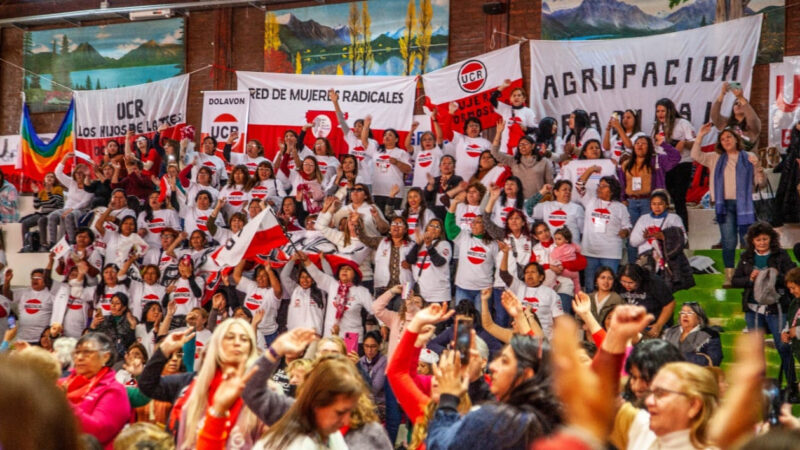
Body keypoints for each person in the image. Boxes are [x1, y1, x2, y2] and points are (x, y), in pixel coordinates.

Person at [425, 334, 563, 449]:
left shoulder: (497, 422)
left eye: (504, 361)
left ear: (526, 375)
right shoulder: (553, 419)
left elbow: (439, 445)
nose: (492, 366)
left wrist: (448, 399)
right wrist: (475, 378)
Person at [732, 221, 798, 401]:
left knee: (783, 347)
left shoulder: (781, 255)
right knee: (755, 350)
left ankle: (792, 387)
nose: (762, 243)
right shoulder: (746, 257)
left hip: (776, 308)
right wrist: (750, 278)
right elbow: (735, 281)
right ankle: (756, 389)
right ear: (752, 241)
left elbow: (793, 277)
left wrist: (776, 276)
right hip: (753, 310)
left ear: (771, 239)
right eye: (758, 240)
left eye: (765, 239)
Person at [692, 122, 764, 287]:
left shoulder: (748, 156)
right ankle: (729, 277)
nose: (726, 140)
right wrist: (701, 136)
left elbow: (761, 183)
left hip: (745, 206)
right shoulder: (714, 158)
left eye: (729, 137)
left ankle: (748, 275)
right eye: (722, 139)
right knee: (729, 241)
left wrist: (758, 168)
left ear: (736, 139)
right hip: (725, 206)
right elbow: (696, 155)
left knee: (747, 242)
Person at [176, 318, 262, 449]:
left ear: (251, 347)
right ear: (217, 344)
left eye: (244, 339)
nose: (237, 343)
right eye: (230, 337)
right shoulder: (195, 389)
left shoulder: (264, 392)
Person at [59, 332, 131, 449]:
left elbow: (97, 433)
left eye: (87, 353)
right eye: (77, 352)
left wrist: (64, 403)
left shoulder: (114, 390)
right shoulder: (62, 383)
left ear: (105, 357)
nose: (80, 357)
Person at [617, 135, 681, 259]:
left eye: (643, 143)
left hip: (649, 203)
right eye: (637, 143)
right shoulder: (626, 163)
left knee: (650, 235)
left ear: (650, 147)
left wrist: (663, 144)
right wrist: (623, 199)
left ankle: (650, 266)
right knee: (633, 238)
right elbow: (621, 183)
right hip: (631, 203)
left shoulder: (657, 160)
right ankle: (632, 268)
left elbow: (676, 158)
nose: (640, 145)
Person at [295, 250, 373, 341]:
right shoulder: (332, 284)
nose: (344, 271)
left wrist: (383, 325)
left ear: (355, 274)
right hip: (330, 335)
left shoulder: (361, 291)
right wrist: (306, 260)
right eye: (342, 269)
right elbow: (317, 275)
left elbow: (375, 308)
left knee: (349, 356)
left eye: (348, 269)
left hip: (351, 336)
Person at [577, 176, 631, 292]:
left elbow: (627, 226)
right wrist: (591, 170)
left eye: (603, 186)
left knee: (609, 286)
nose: (599, 188)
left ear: (612, 190)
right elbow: (579, 185)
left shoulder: (620, 207)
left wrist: (625, 232)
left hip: (610, 253)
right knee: (590, 285)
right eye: (599, 185)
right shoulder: (590, 200)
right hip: (590, 251)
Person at [446, 192, 498, 309]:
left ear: (486, 227)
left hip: (484, 290)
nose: (473, 224)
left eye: (478, 222)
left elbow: (497, 266)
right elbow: (449, 226)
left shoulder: (493, 244)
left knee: (482, 322)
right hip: (463, 288)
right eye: (473, 222)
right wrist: (454, 203)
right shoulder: (464, 237)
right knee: (462, 324)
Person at [652, 98, 696, 229]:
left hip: (681, 164)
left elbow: (695, 143)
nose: (660, 113)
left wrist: (683, 143)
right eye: (658, 111)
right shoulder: (657, 127)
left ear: (670, 111)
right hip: (664, 166)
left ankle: (683, 232)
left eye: (663, 110)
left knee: (678, 199)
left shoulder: (682, 123)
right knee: (664, 198)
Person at [492, 119, 553, 198]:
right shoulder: (513, 161)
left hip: (539, 202)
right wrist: (498, 133)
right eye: (520, 145)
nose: (522, 146)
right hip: (519, 203)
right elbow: (494, 152)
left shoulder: (544, 162)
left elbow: (550, 184)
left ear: (533, 146)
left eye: (526, 144)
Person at [616, 264, 675, 338]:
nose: (626, 285)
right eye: (623, 282)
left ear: (639, 279)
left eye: (631, 283)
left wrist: (658, 325)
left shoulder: (653, 282)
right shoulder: (617, 284)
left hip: (652, 324)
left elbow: (669, 303)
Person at [50, 153, 93, 246]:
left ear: (86, 174)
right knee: (52, 216)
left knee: (69, 216)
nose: (79, 175)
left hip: (81, 210)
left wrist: (71, 210)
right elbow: (58, 173)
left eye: (82, 173)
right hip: (67, 209)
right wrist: (64, 158)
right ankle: (53, 243)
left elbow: (85, 202)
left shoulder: (90, 185)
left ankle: (72, 242)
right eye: (78, 173)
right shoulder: (71, 183)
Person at [663, 302, 723, 366]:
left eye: (689, 313)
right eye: (682, 312)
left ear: (699, 318)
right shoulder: (669, 332)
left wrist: (674, 357)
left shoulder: (710, 335)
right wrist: (694, 356)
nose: (685, 315)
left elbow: (714, 360)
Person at [711, 81, 761, 150]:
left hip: (747, 159)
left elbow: (752, 119)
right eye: (736, 103)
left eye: (741, 103)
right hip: (728, 159)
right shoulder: (726, 123)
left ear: (747, 108)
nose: (738, 105)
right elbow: (714, 115)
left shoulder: (753, 125)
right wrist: (722, 94)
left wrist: (740, 97)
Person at [20, 172, 63, 252]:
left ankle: (43, 244)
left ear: (55, 180)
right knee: (25, 223)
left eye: (51, 177)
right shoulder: (42, 191)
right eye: (47, 177)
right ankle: (26, 245)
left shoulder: (58, 189)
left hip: (53, 214)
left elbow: (55, 204)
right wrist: (36, 193)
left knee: (41, 220)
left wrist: (49, 192)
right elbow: (36, 206)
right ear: (44, 180)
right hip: (42, 213)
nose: (49, 178)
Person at [89, 292, 138, 361]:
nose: (113, 305)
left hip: (123, 359)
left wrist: (133, 326)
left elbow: (132, 342)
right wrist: (93, 326)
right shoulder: (103, 319)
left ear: (124, 307)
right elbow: (92, 339)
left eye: (117, 303)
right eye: (112, 303)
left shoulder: (131, 320)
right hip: (105, 357)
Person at [358, 330, 387, 421]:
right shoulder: (360, 360)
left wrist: (358, 367)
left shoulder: (384, 362)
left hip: (379, 404)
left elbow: (374, 389)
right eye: (366, 346)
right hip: (363, 401)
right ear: (363, 346)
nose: (369, 350)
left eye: (373, 346)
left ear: (379, 346)